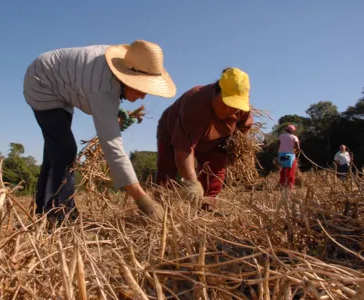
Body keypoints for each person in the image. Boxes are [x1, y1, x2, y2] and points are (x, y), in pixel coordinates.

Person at [23, 40, 176, 221]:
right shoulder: (102, 86)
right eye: (141, 87)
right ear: (126, 76)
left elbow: (95, 94)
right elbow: (113, 147)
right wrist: (143, 200)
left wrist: (113, 110)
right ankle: (64, 216)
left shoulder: (119, 67)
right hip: (42, 83)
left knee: (55, 152)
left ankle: (44, 212)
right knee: (64, 150)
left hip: (59, 82)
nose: (143, 95)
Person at [155, 68, 253, 210]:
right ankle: (161, 208)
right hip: (172, 130)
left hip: (212, 139)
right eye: (225, 103)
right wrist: (192, 182)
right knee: (167, 167)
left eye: (234, 107)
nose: (229, 111)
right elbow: (184, 149)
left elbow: (244, 128)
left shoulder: (243, 109)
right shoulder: (195, 103)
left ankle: (208, 206)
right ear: (216, 91)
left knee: (217, 163)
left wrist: (234, 145)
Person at [277, 124, 300, 189]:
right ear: (292, 130)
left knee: (283, 169)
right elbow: (298, 147)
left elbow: (279, 145)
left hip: (281, 154)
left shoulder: (281, 136)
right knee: (290, 170)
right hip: (290, 155)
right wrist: (296, 151)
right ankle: (290, 185)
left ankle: (282, 184)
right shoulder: (294, 137)